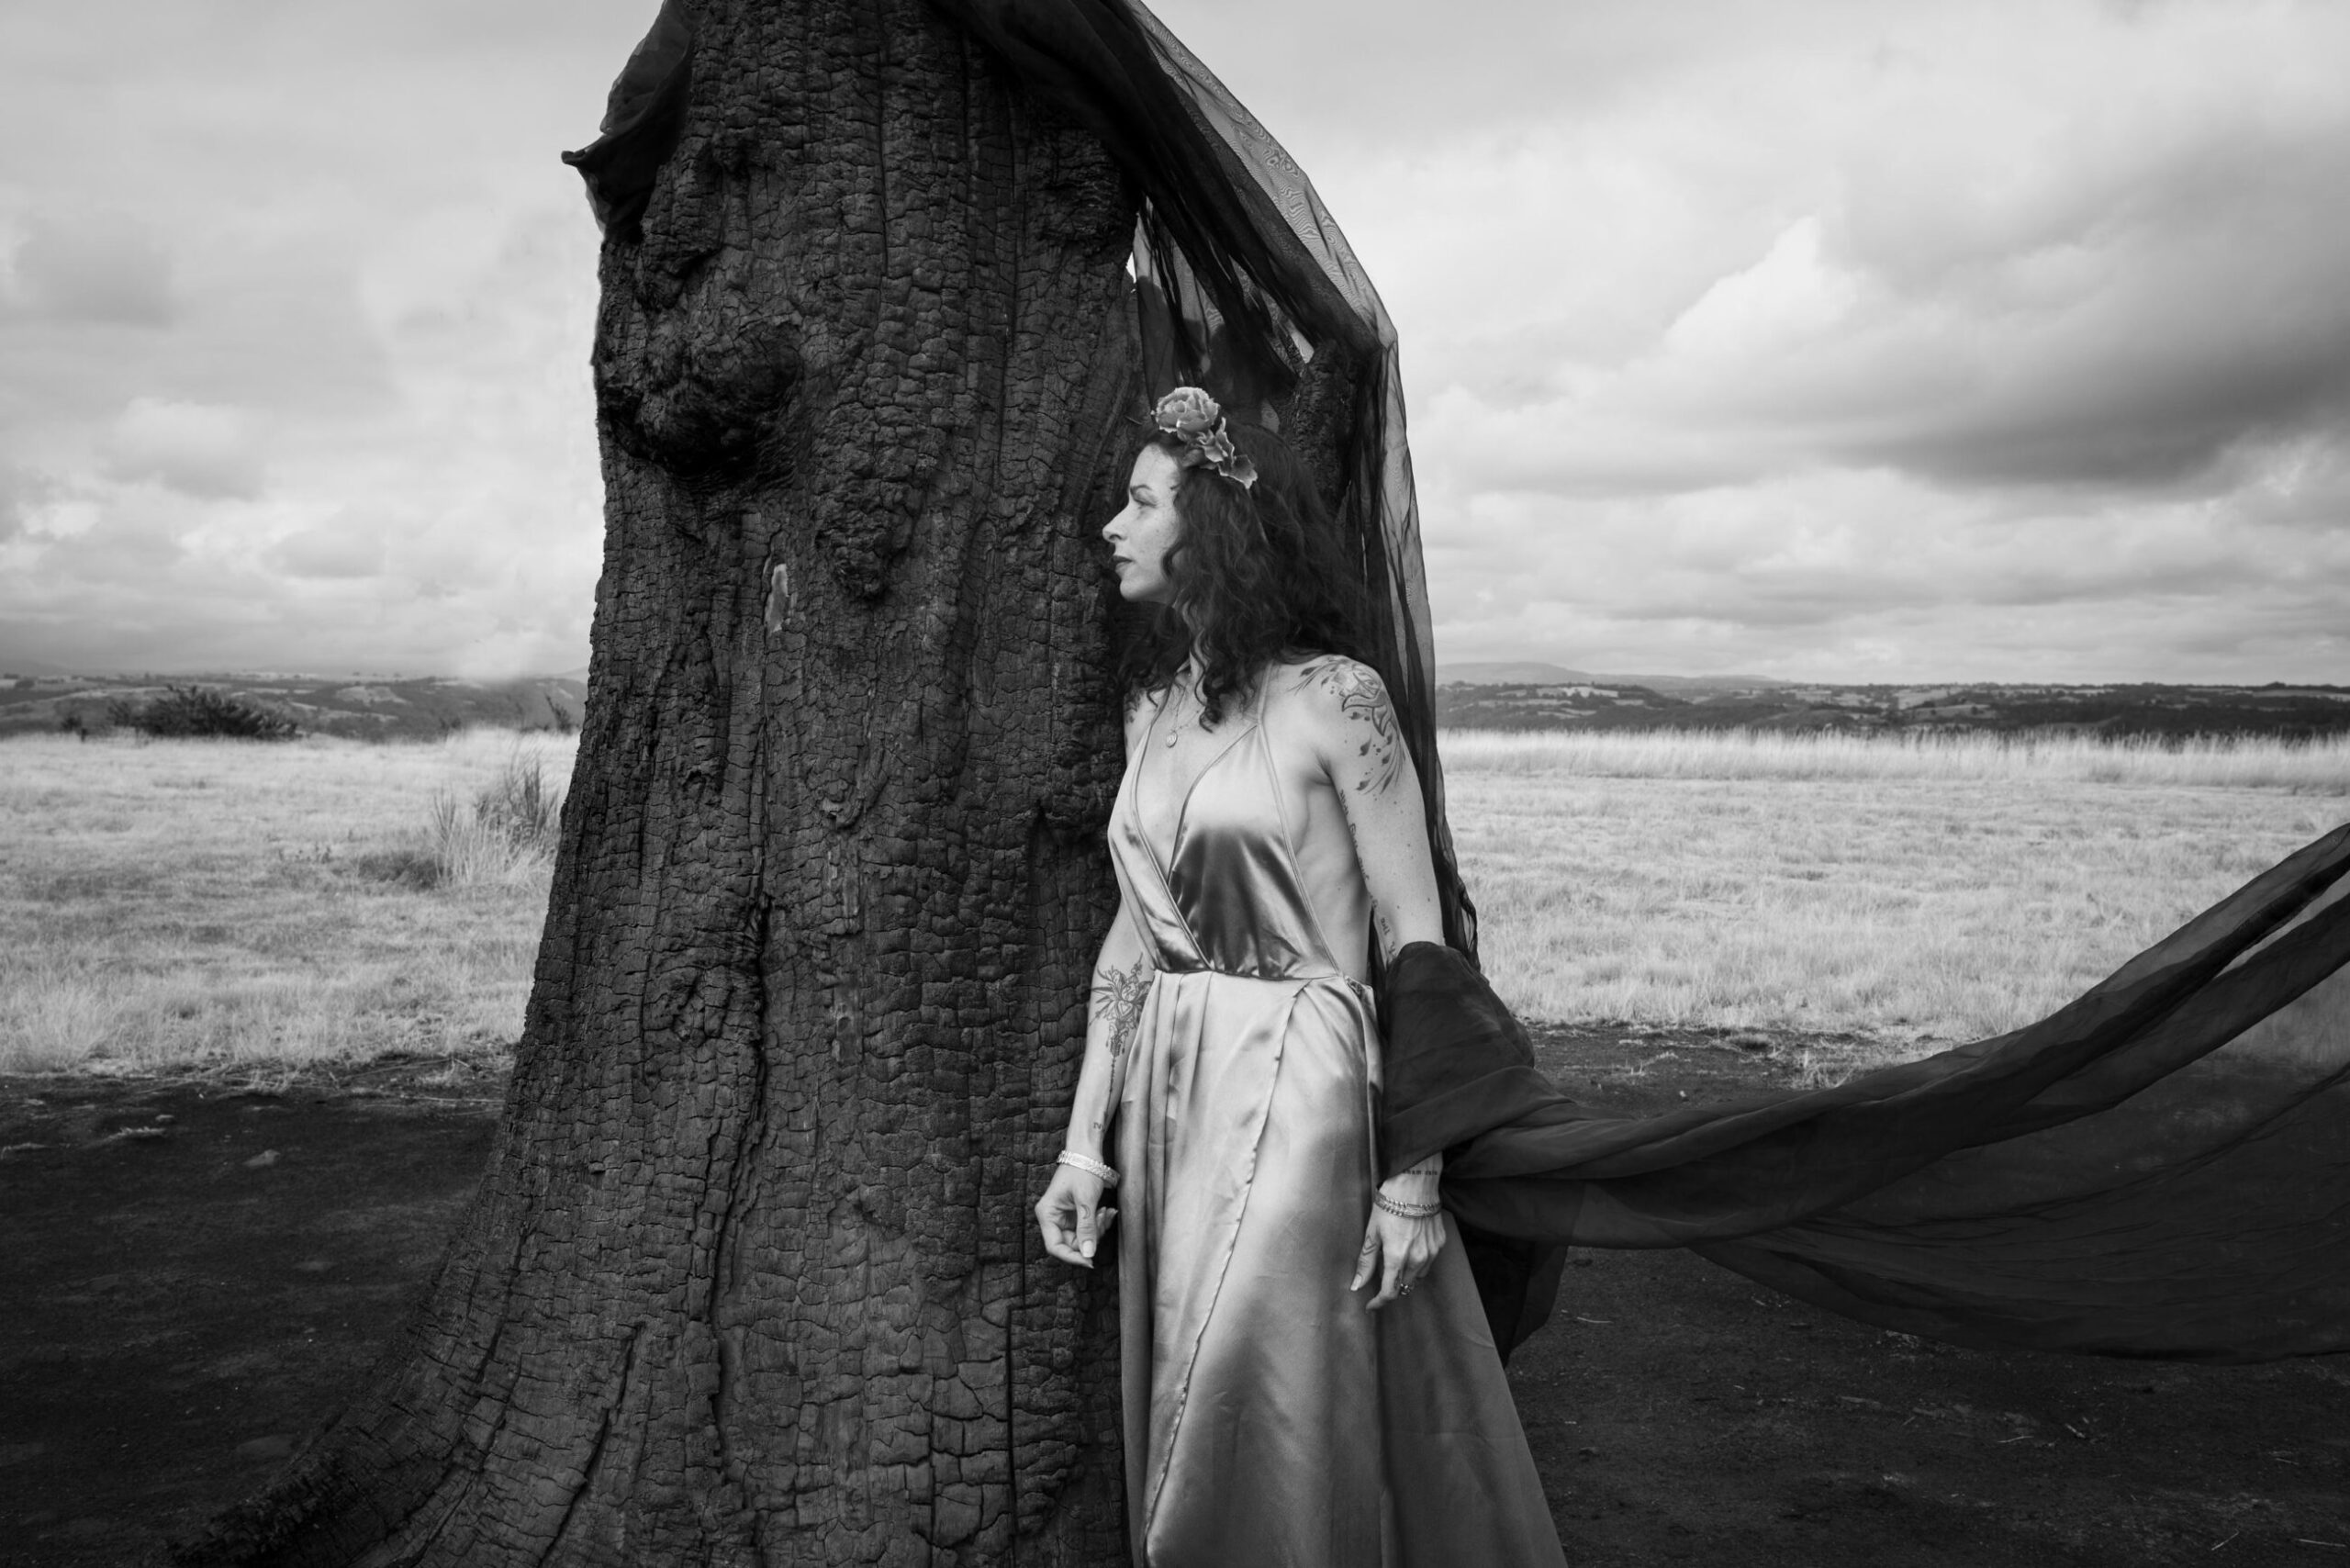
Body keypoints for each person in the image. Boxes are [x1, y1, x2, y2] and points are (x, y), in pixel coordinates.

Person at [1034, 388, 1570, 1568]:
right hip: (1169, 1093)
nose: (1112, 528)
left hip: (1298, 1078)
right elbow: (1132, 938)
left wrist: (1414, 1171)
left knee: (1256, 1388)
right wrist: (1084, 1145)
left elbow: (1415, 935)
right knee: (1190, 1390)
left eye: (1140, 503)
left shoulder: (1339, 697)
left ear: (1214, 526)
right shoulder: (1150, 709)